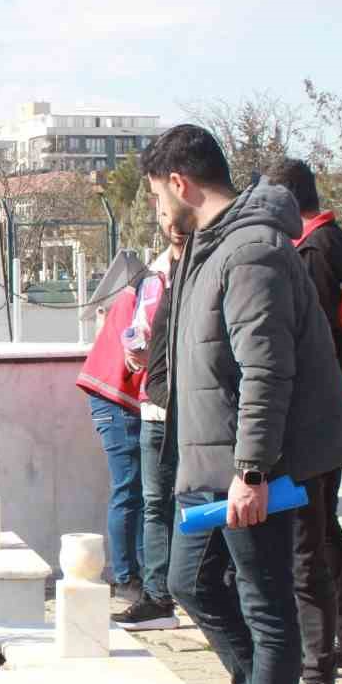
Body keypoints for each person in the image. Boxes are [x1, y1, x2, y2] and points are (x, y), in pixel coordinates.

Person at [144, 125, 342, 684]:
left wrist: (254, 470)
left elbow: (266, 370)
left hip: (254, 467)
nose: (157, 210)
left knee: (267, 606)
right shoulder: (208, 247)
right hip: (207, 461)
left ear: (180, 183)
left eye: (156, 195)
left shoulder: (252, 249)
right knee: (189, 580)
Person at [264, 158, 342, 684]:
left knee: (310, 543)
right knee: (324, 532)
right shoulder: (333, 241)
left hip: (319, 412)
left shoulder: (312, 251)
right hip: (335, 404)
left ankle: (327, 659)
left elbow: (311, 339)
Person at [113, 206, 187, 634]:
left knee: (197, 501)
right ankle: (158, 596)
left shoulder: (211, 270)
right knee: (155, 503)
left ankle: (207, 591)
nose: (173, 229)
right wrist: (135, 352)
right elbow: (138, 332)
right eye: (166, 221)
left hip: (197, 409)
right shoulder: (155, 278)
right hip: (155, 407)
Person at [76, 259, 146, 604]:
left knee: (139, 490)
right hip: (116, 396)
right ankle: (127, 577)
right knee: (131, 488)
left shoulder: (148, 284)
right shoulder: (155, 288)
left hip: (114, 394)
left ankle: (138, 576)